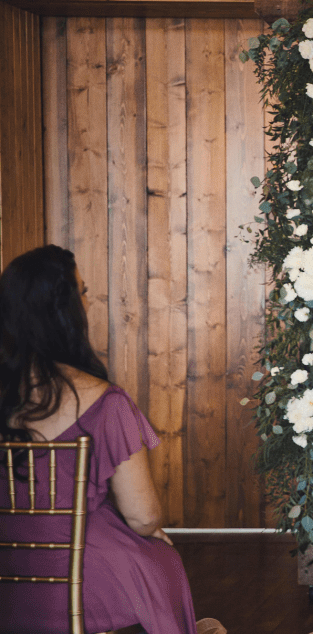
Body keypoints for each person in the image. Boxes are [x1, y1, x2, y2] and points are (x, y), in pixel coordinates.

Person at [0, 245, 209, 634]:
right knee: (161, 562)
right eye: (82, 291)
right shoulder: (103, 400)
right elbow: (143, 516)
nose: (87, 300)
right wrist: (153, 535)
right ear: (63, 311)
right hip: (81, 574)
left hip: (7, 573)